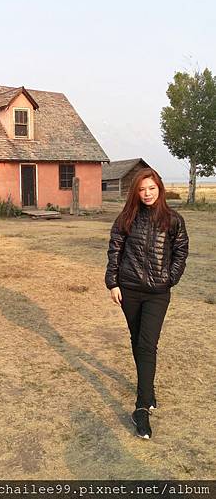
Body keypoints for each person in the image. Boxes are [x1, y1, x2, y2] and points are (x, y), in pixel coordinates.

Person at [105, 168, 189, 439]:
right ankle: (148, 390)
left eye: (151, 188)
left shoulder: (173, 219)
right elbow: (115, 249)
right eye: (142, 190)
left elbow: (181, 250)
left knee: (147, 344)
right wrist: (113, 283)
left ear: (159, 188)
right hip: (129, 290)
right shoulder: (126, 218)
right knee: (136, 339)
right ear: (136, 192)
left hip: (157, 294)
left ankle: (141, 407)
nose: (147, 194)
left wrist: (169, 278)